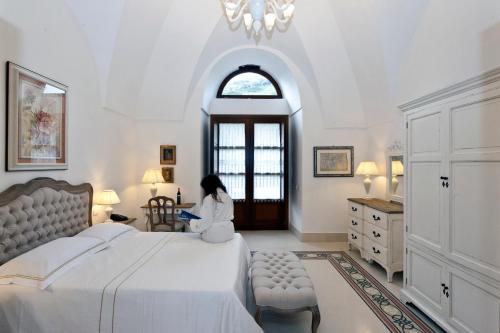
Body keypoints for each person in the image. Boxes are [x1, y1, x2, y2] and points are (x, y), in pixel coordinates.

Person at [190, 175, 235, 243]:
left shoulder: (209, 198)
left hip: (214, 235)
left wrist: (192, 223)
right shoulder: (228, 197)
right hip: (228, 233)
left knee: (196, 223)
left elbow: (207, 221)